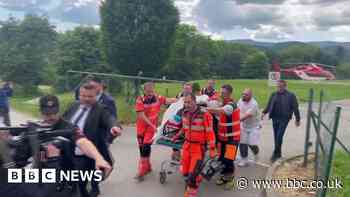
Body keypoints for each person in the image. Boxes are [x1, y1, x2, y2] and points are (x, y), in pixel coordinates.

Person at [63, 84, 122, 197]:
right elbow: (63, 120)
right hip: (68, 151)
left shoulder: (100, 109)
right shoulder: (73, 105)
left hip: (87, 155)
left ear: (96, 95)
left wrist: (114, 127)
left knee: (80, 184)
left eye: (90, 96)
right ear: (79, 95)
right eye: (83, 96)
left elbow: (110, 119)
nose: (86, 99)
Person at [171, 93, 216, 197]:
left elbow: (210, 132)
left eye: (189, 102)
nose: (187, 104)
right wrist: (177, 136)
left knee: (192, 175)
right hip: (187, 146)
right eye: (185, 102)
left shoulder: (205, 114)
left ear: (195, 101)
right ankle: (193, 181)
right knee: (185, 173)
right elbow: (184, 127)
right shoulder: (184, 113)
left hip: (198, 148)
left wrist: (212, 148)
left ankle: (191, 192)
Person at [134, 82, 176, 181]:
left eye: (152, 91)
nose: (150, 93)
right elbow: (141, 115)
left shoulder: (158, 97)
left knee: (146, 146)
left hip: (151, 129)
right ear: (144, 90)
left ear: (154, 90)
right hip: (142, 127)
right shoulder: (140, 99)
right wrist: (152, 124)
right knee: (141, 148)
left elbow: (168, 100)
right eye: (148, 91)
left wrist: (180, 100)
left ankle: (142, 170)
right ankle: (147, 167)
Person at [207, 84, 240, 190]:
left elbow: (220, 111)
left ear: (229, 93)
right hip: (223, 139)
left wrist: (204, 109)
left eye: (224, 93)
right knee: (222, 158)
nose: (221, 94)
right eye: (221, 92)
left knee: (229, 159)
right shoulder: (223, 103)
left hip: (233, 139)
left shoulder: (231, 105)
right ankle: (224, 176)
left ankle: (230, 179)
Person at [262, 80, 301, 162]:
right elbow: (269, 105)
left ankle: (275, 154)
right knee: (276, 136)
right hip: (274, 117)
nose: (279, 88)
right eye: (278, 86)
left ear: (285, 86)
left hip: (284, 118)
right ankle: (278, 153)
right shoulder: (274, 94)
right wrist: (264, 112)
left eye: (281, 86)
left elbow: (295, 107)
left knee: (279, 136)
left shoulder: (291, 95)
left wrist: (297, 119)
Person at [237, 89, 261, 167]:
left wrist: (236, 121)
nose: (243, 95)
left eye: (246, 94)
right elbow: (236, 110)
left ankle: (256, 154)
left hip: (254, 126)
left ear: (250, 95)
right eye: (243, 94)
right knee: (242, 143)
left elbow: (247, 116)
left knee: (252, 144)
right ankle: (244, 159)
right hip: (243, 126)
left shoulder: (254, 104)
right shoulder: (240, 100)